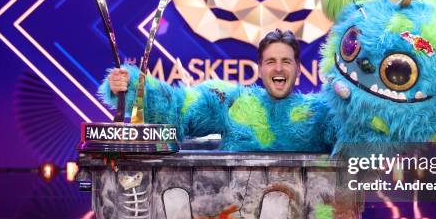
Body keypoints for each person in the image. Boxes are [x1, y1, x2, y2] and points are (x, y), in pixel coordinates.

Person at [100, 29, 333, 152]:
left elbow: (351, 134)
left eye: (286, 61)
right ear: (260, 69)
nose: (279, 68)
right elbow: (178, 107)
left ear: (298, 69)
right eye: (271, 62)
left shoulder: (318, 114)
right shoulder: (233, 102)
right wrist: (133, 86)